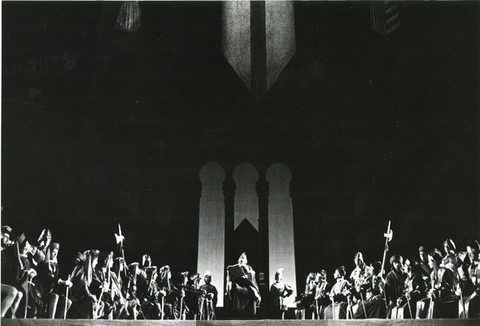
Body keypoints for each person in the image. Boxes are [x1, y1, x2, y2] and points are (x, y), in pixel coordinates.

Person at [36, 242, 73, 318]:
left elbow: (61, 276)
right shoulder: (43, 264)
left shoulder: (56, 265)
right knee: (55, 296)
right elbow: (47, 277)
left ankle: (57, 320)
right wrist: (60, 281)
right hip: (43, 291)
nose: (55, 254)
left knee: (68, 302)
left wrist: (68, 282)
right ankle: (51, 321)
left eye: (57, 252)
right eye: (53, 252)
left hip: (53, 291)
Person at [226, 252, 261, 318]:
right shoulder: (236, 267)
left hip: (247, 284)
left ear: (246, 261)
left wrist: (247, 273)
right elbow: (229, 278)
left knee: (251, 291)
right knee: (236, 289)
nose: (241, 260)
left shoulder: (248, 267)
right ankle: (237, 310)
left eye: (243, 258)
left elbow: (253, 275)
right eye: (240, 258)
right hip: (238, 284)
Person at [1, 226, 23, 318]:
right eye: (5, 236)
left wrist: (15, 248)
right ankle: (1, 317)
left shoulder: (5, 253)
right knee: (12, 291)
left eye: (8, 237)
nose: (7, 239)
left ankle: (9, 319)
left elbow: (16, 267)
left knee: (18, 293)